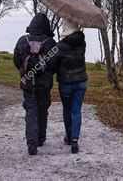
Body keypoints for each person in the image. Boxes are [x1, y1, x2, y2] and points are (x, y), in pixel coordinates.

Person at [13, 13, 56, 155]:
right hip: (44, 85)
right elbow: (54, 65)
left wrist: (24, 71)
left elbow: (16, 61)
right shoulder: (50, 43)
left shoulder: (22, 40)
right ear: (46, 26)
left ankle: (32, 145)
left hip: (28, 83)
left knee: (31, 112)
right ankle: (40, 138)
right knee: (43, 110)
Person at [52, 19, 87, 154]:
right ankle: (74, 140)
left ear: (65, 29)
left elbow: (53, 62)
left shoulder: (60, 46)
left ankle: (69, 136)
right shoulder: (82, 43)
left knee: (67, 109)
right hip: (81, 81)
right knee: (77, 110)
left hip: (66, 83)